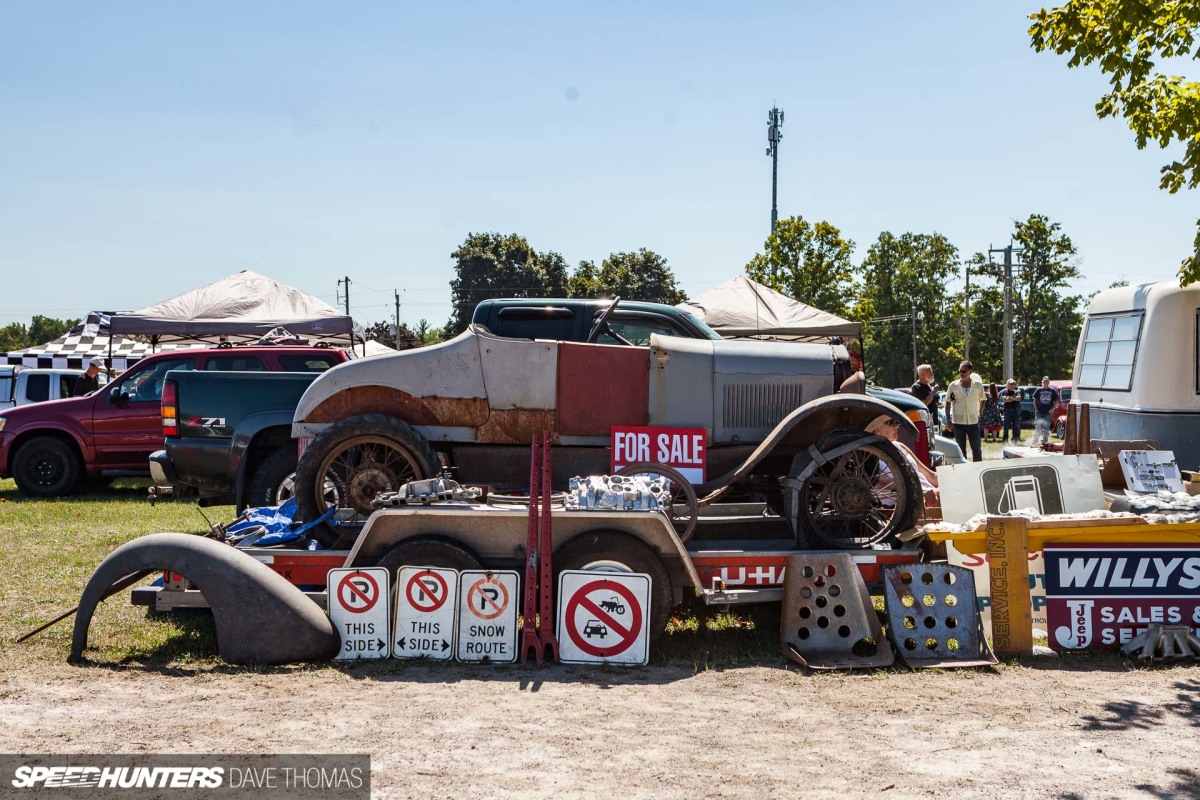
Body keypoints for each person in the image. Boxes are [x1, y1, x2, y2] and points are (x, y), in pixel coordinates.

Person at [866, 414, 939, 508]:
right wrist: (923, 491)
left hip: (930, 493)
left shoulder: (900, 446)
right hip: (910, 501)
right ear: (877, 429)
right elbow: (887, 482)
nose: (897, 426)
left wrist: (951, 479)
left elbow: (932, 476)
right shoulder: (871, 456)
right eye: (891, 423)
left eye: (896, 422)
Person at [946, 359, 985, 462]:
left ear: (970, 371)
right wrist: (948, 420)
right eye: (959, 371)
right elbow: (948, 402)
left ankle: (977, 468)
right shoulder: (953, 385)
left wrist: (979, 412)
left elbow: (983, 399)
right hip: (958, 422)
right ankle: (963, 469)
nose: (961, 373)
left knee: (976, 448)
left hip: (973, 422)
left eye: (964, 371)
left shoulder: (978, 385)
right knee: (960, 449)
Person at [1032, 376, 1061, 446]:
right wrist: (1036, 409)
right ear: (1042, 382)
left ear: (1049, 382)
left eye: (1047, 381)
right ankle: (1035, 442)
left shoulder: (1052, 390)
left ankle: (1045, 441)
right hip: (1039, 411)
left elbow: (1057, 400)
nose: (1046, 382)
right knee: (1038, 427)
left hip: (1048, 412)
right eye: (1045, 381)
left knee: (1047, 427)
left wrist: (1053, 408)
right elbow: (1035, 400)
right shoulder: (1038, 390)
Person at [910, 364, 939, 430]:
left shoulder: (928, 386)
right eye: (930, 372)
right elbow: (924, 403)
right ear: (922, 375)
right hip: (925, 424)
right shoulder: (916, 387)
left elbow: (931, 401)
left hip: (934, 421)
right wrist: (933, 392)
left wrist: (937, 404)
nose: (932, 374)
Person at [1000, 378, 1023, 445]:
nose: (1013, 385)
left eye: (1014, 384)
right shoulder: (1004, 391)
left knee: (1016, 426)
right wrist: (1013, 398)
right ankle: (1005, 441)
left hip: (1015, 411)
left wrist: (1010, 398)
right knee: (1006, 426)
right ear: (1007, 384)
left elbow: (1018, 398)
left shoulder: (1017, 391)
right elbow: (1005, 400)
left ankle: (1015, 440)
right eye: (1011, 384)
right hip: (1007, 411)